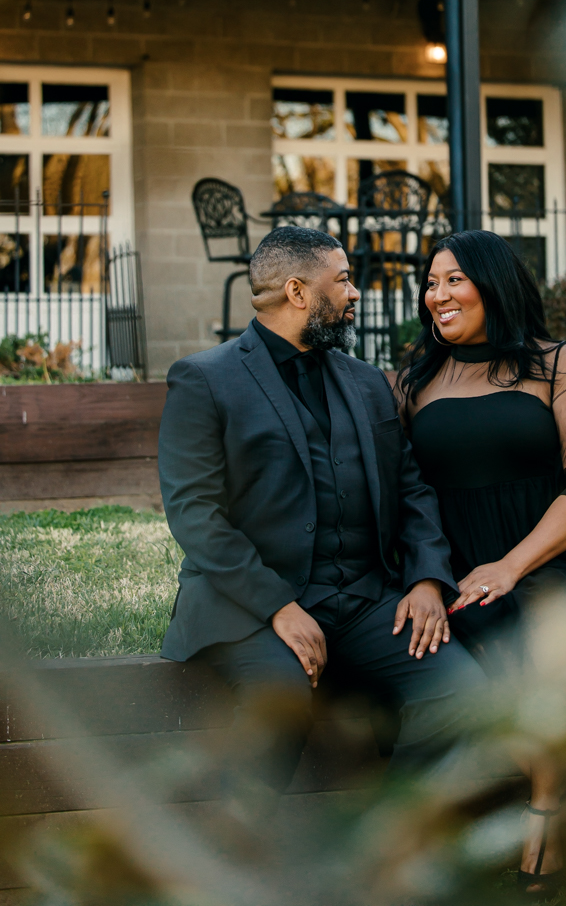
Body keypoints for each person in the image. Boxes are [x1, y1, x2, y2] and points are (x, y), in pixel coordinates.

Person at [158, 225, 484, 793]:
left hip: (364, 602)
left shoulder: (368, 382)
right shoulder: (204, 379)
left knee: (463, 694)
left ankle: (390, 839)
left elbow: (411, 489)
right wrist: (278, 605)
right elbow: (194, 513)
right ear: (298, 292)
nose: (355, 293)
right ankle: (232, 845)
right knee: (281, 704)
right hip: (250, 609)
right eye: (344, 280)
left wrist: (427, 579)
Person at [395, 230, 566, 899]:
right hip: (460, 566)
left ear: (494, 284)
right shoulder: (416, 380)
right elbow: (405, 493)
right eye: (430, 282)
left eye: (453, 279)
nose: (437, 295)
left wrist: (511, 565)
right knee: (464, 657)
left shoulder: (560, 364)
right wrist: (432, 576)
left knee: (539, 629)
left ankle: (542, 820)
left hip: (556, 554)